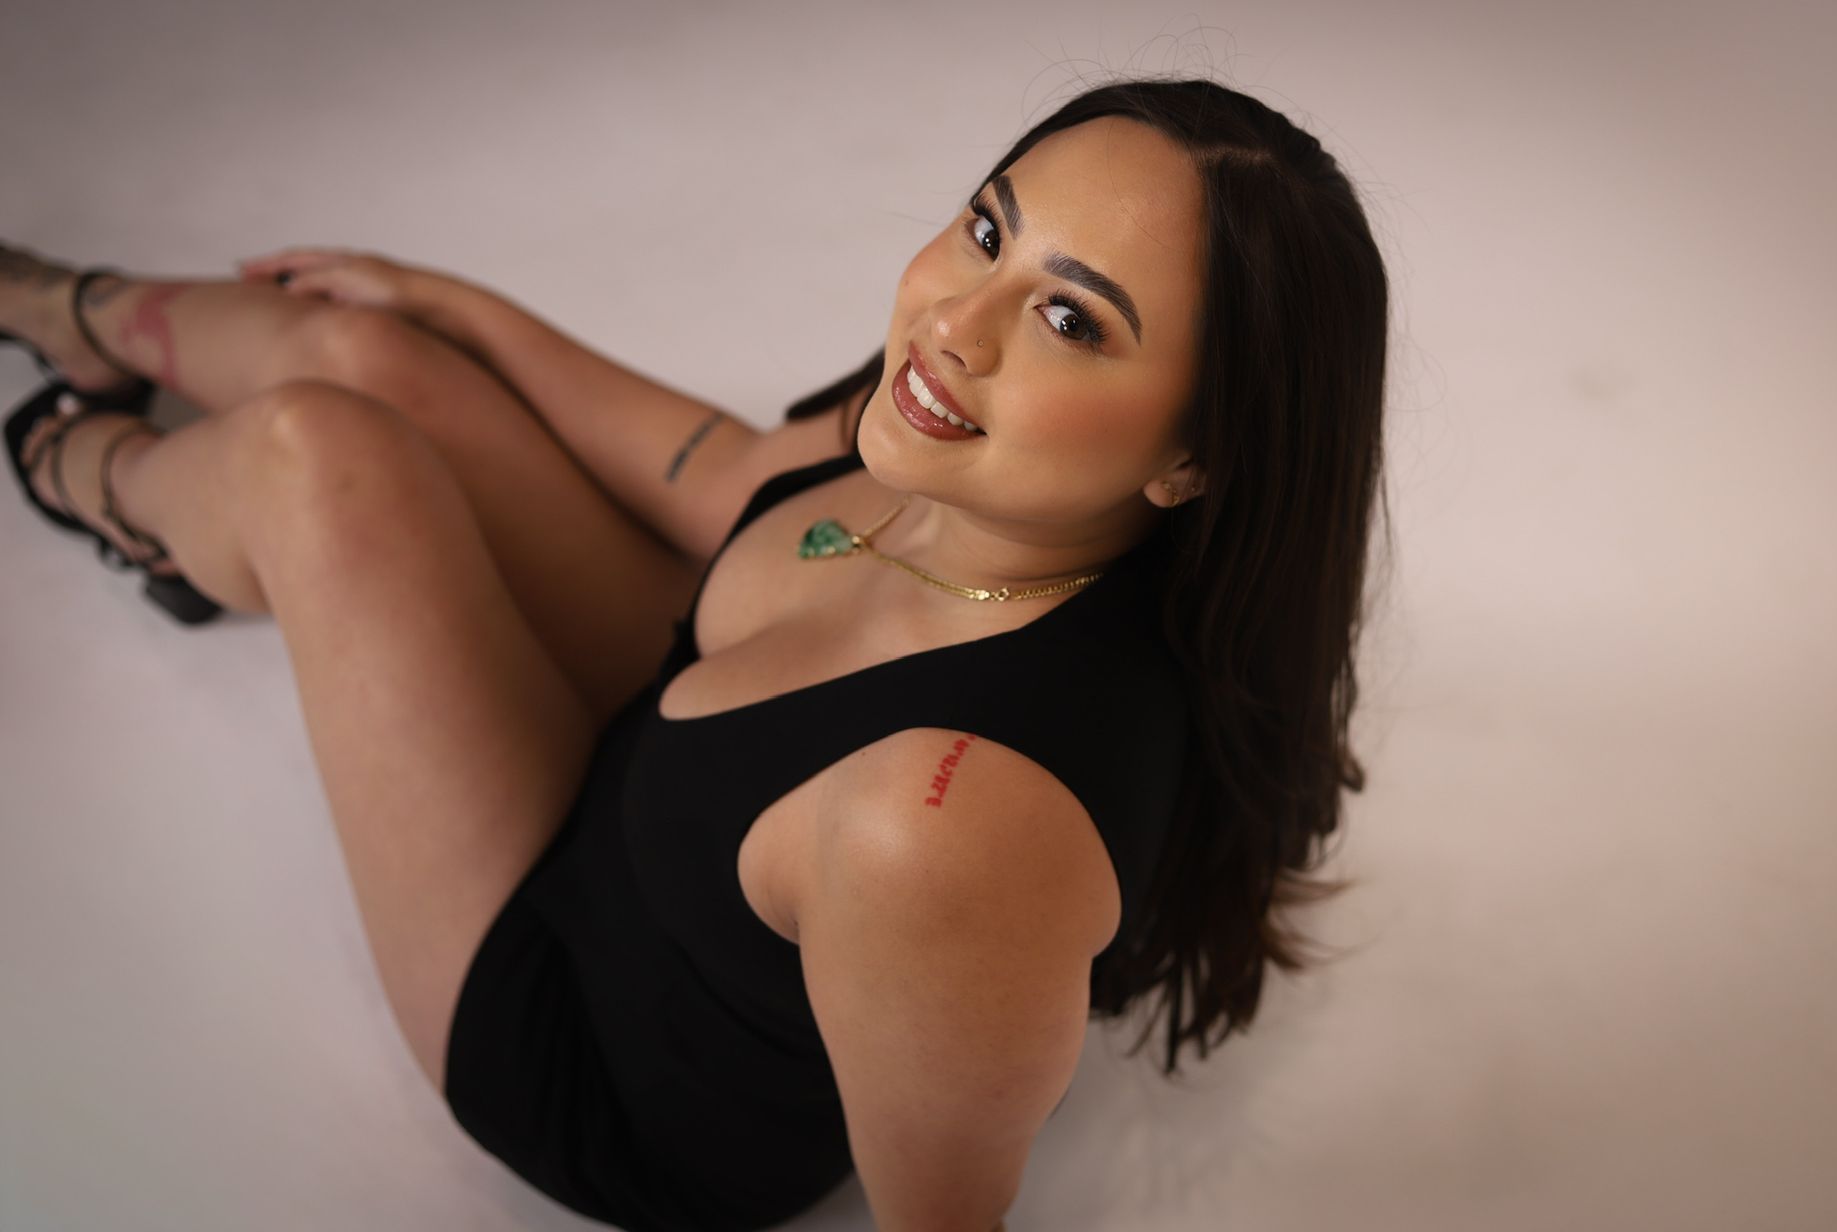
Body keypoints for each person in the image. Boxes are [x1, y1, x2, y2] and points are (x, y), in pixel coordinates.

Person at [0, 75, 1389, 1231]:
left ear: (1197, 455)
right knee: (358, 355)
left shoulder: (949, 831)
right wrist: (456, 310)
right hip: (658, 762)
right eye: (986, 231)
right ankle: (72, 303)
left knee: (319, 460)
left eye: (1072, 318)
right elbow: (722, 467)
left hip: (586, 1038)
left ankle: (87, 469)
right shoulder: (947, 427)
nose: (956, 326)